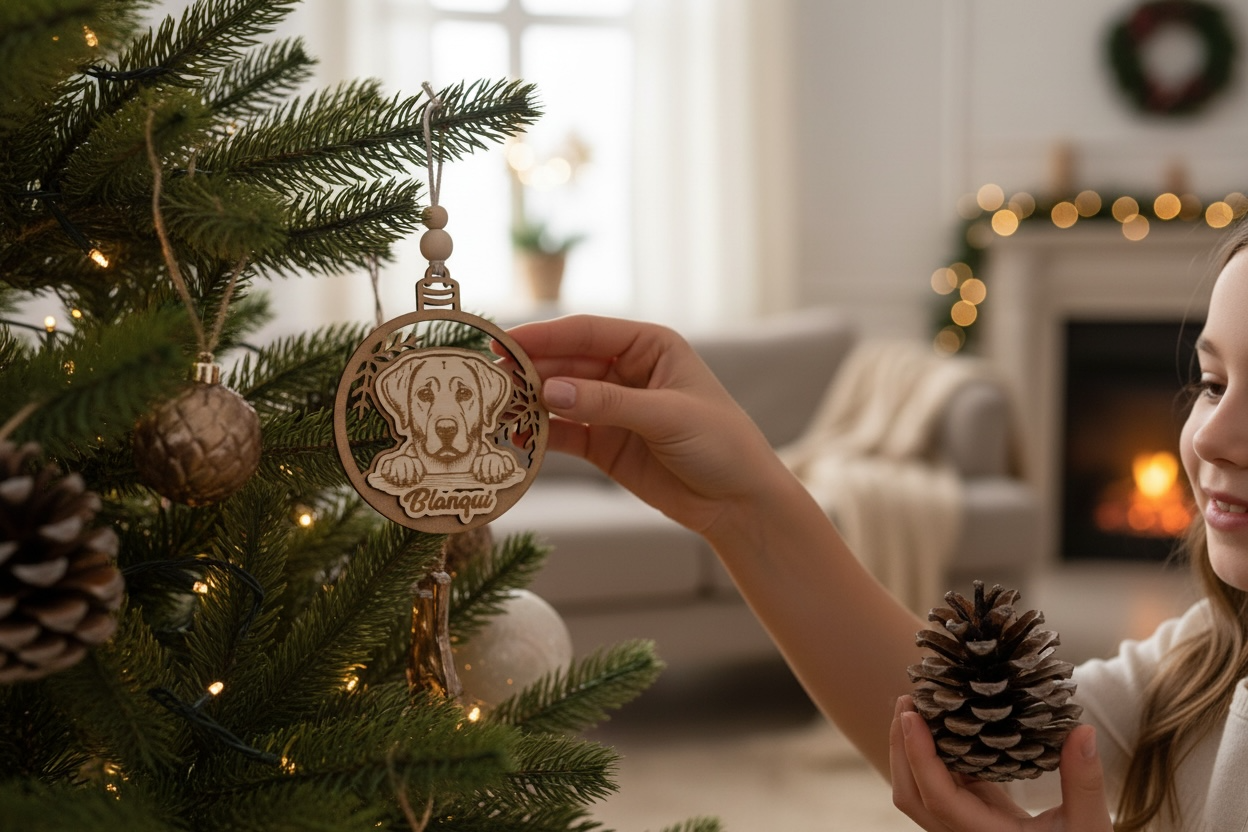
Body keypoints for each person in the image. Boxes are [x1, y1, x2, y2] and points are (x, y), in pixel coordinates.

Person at [501, 220, 1248, 831]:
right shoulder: (1206, 660)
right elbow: (983, 747)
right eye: (1212, 383)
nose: (1210, 436)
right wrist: (744, 506)